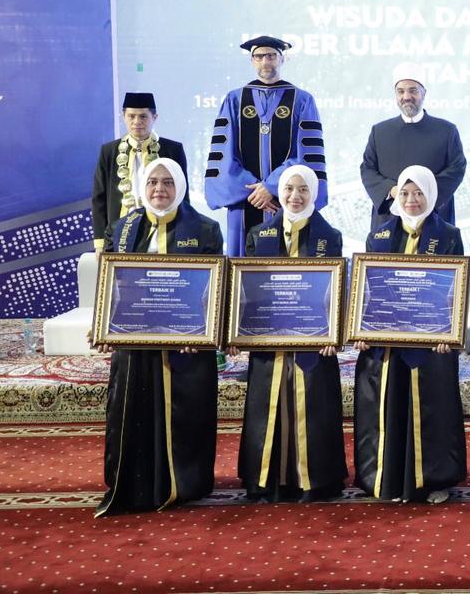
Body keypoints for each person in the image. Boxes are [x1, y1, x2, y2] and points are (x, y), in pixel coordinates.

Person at [95, 158, 223, 516]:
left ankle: (187, 482)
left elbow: (214, 289)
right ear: (141, 187)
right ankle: (134, 480)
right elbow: (110, 287)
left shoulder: (206, 229)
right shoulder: (121, 229)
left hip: (187, 348)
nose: (160, 190)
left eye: (168, 182)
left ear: (180, 187)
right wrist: (105, 325)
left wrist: (202, 330)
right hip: (136, 347)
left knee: (187, 413)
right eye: (152, 182)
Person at [233, 164, 348, 503]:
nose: (295, 196)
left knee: (313, 404)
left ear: (313, 193)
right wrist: (239, 331)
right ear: (279, 193)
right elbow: (247, 289)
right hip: (269, 340)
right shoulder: (259, 235)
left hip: (315, 344)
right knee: (267, 404)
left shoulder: (331, 237)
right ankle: (266, 481)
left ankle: (315, 481)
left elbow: (335, 291)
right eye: (289, 189)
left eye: (303, 190)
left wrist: (333, 333)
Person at [353, 165, 467, 503]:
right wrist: (359, 328)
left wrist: (449, 331)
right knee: (387, 405)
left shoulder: (448, 235)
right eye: (405, 193)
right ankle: (385, 479)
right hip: (387, 344)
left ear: (431, 194)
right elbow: (367, 289)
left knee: (432, 409)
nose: (412, 200)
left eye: (418, 193)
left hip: (431, 344)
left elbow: (453, 291)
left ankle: (433, 481)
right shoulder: (380, 236)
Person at [204, 36, 327, 256]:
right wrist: (254, 189)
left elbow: (307, 153)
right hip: (245, 200)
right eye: (259, 56)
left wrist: (272, 187)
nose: (265, 61)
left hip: (288, 198)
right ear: (252, 61)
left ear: (282, 59)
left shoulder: (302, 100)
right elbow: (223, 154)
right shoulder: (235, 99)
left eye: (271, 56)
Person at [360, 64, 466, 229]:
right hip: (390, 217)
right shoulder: (379, 131)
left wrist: (423, 194)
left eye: (413, 91)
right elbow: (368, 169)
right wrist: (394, 191)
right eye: (401, 91)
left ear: (424, 93)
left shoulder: (446, 130)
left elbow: (457, 168)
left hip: (435, 217)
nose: (407, 96)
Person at [91, 92, 187, 251]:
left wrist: (183, 235)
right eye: (131, 116)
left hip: (162, 232)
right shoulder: (109, 151)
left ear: (154, 117)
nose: (137, 122)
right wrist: (100, 243)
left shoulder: (173, 149)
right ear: (123, 116)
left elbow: (182, 196)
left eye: (143, 116)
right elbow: (99, 198)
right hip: (118, 231)